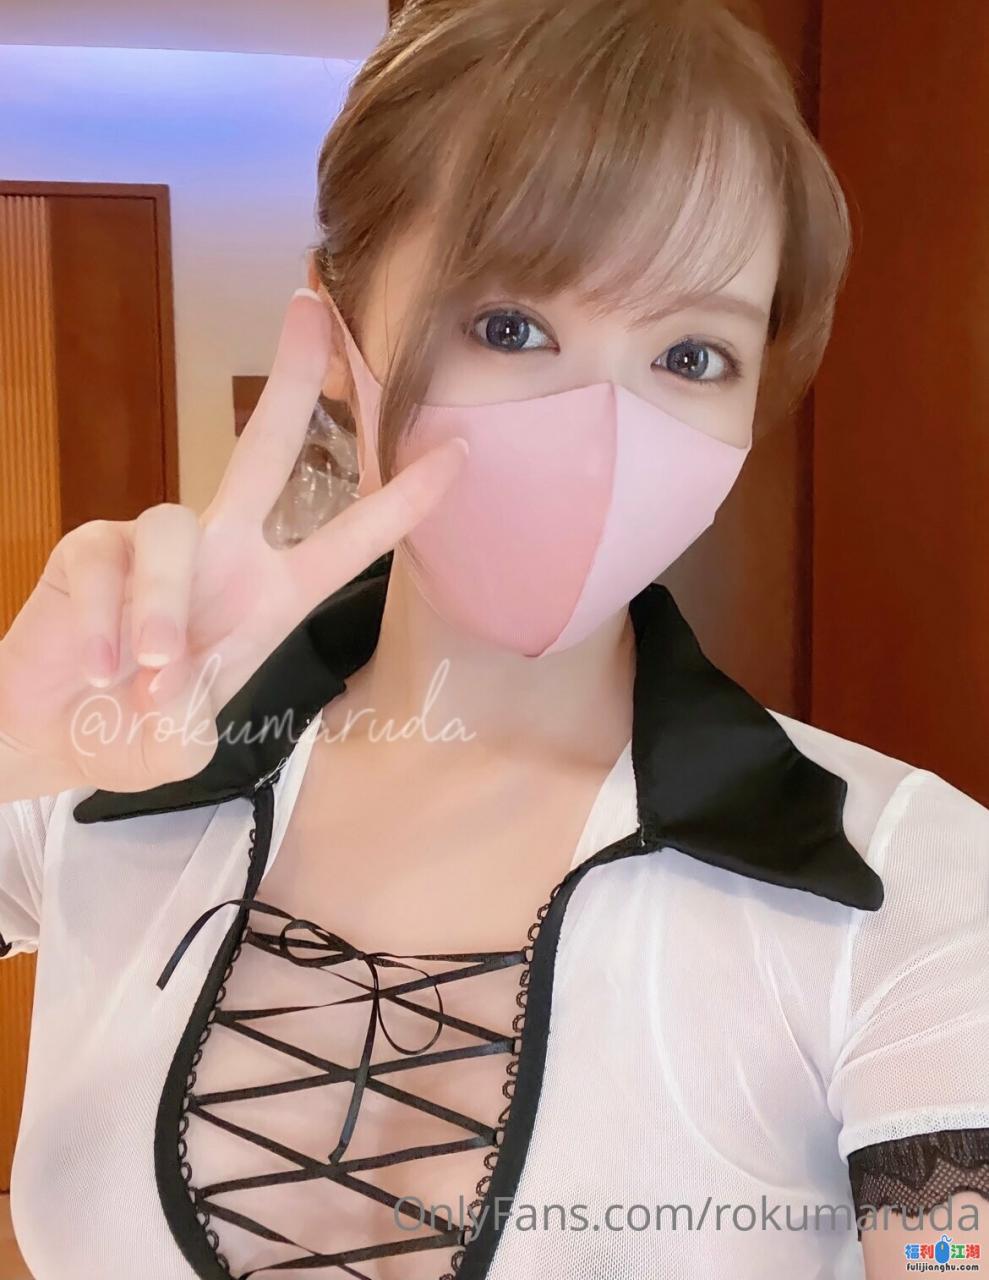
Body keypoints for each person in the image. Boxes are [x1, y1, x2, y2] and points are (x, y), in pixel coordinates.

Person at [1, 0, 987, 1277]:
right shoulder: (111, 772)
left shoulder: (905, 880)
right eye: (510, 325)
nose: (604, 429)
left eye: (691, 354)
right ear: (338, 339)